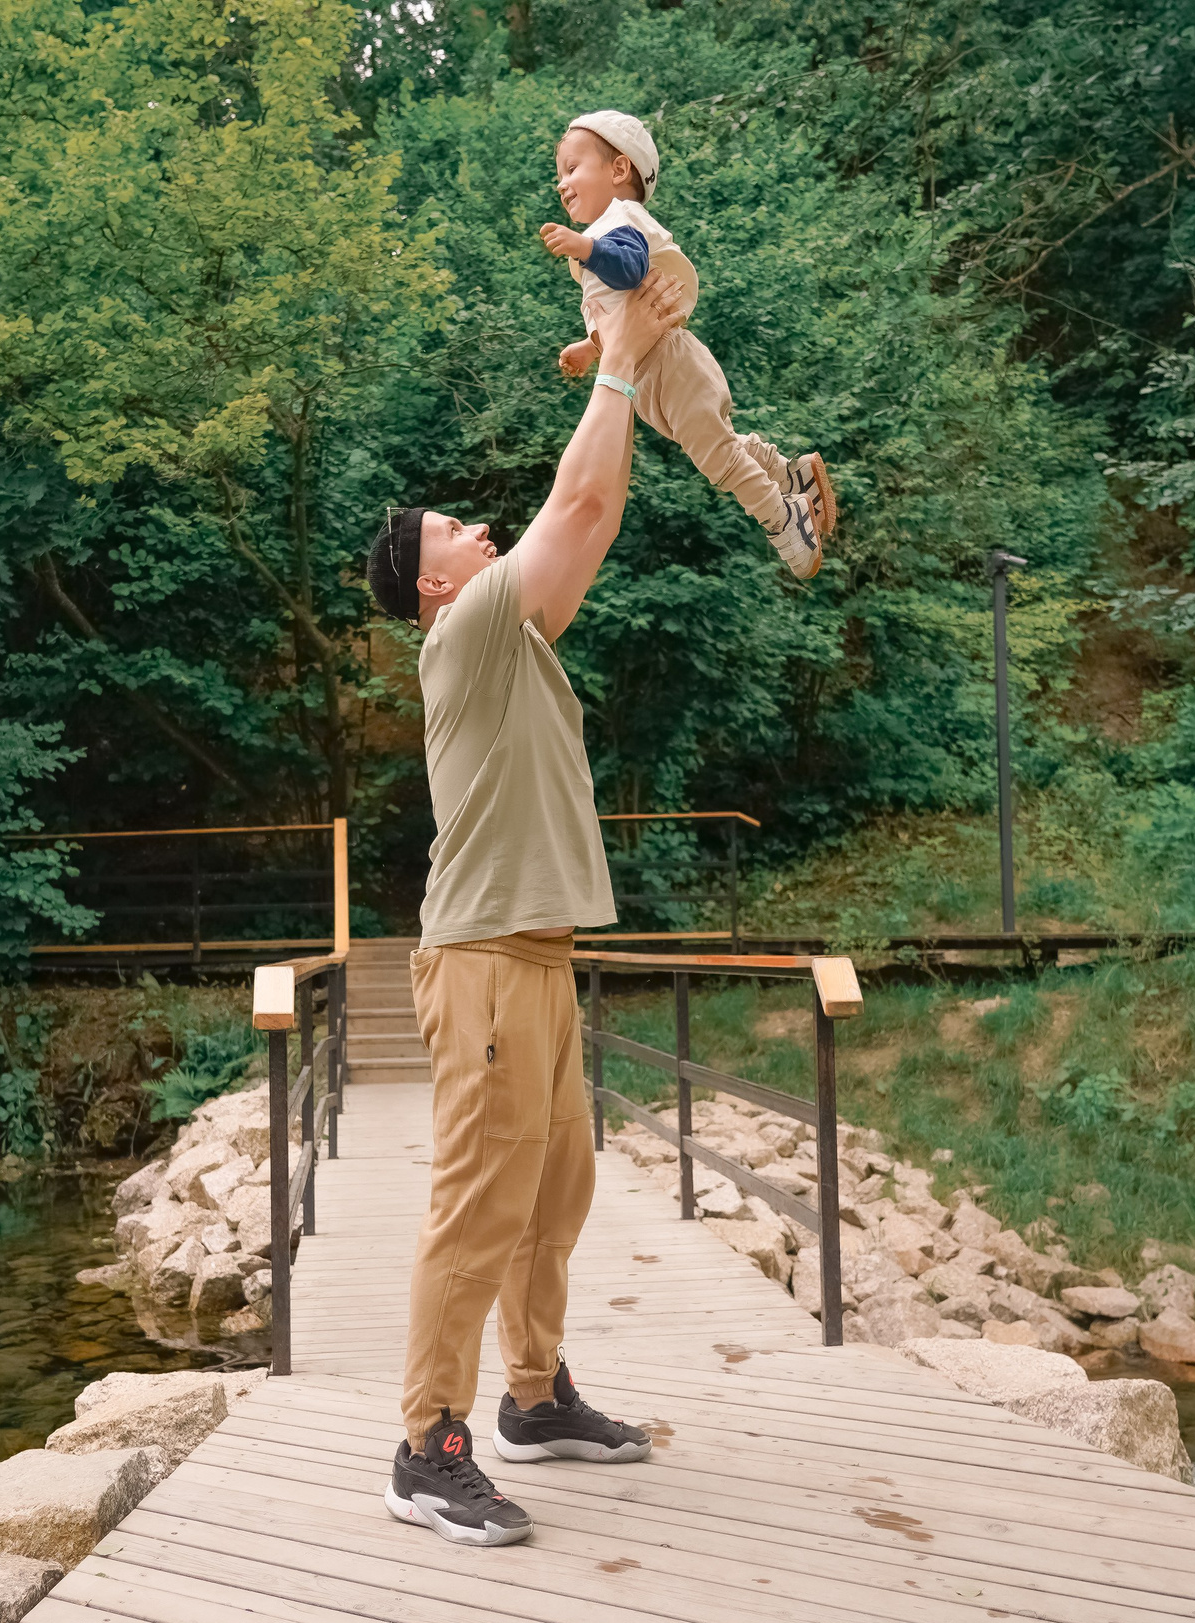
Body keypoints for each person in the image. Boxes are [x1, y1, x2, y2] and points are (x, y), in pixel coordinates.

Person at [359, 263, 695, 1549]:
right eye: (450, 528)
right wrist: (618, 351)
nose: (474, 527)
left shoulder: (514, 633)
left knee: (556, 1195)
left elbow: (591, 522)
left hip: (538, 959)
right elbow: (583, 493)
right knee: (479, 1204)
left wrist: (630, 349)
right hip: (485, 958)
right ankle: (423, 1444)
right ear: (434, 585)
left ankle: (534, 1400)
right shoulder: (465, 635)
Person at [538, 109, 838, 578]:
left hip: (670, 363)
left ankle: (784, 518)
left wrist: (586, 248)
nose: (561, 183)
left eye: (572, 169)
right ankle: (788, 474)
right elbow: (625, 310)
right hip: (649, 371)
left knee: (715, 455)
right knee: (717, 444)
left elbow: (632, 270)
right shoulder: (604, 231)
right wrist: (590, 346)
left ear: (618, 170)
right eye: (559, 175)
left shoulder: (620, 219)